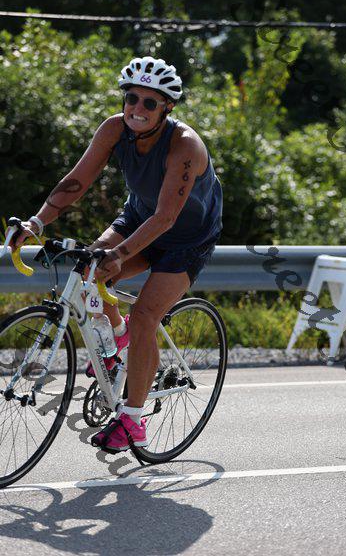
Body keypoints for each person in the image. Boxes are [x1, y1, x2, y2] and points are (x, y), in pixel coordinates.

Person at [9, 56, 223, 453]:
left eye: (149, 102)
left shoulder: (185, 146)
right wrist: (36, 223)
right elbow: (77, 181)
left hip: (186, 238)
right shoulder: (114, 129)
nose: (137, 109)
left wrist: (121, 255)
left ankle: (133, 420)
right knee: (90, 270)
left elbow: (166, 218)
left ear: (167, 107)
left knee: (144, 316)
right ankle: (115, 343)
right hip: (138, 217)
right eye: (131, 98)